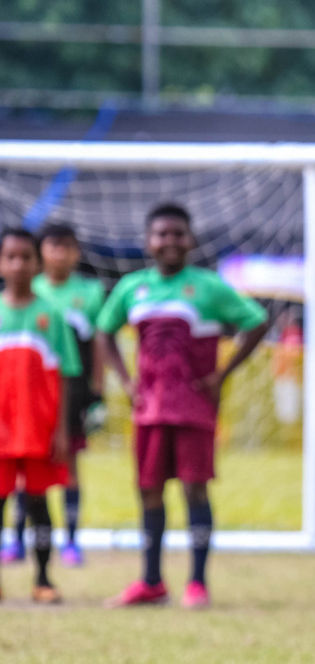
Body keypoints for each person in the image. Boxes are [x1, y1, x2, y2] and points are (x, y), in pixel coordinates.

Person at [97, 204, 271, 609]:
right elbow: (104, 331)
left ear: (191, 240)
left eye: (178, 234)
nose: (170, 241)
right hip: (149, 409)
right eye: (162, 234)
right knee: (149, 490)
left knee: (195, 488)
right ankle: (152, 581)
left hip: (193, 406)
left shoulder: (209, 287)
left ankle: (197, 583)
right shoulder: (131, 288)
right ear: (148, 241)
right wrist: (125, 380)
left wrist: (222, 374)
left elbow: (257, 321)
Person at [0, 227, 81, 604]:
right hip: (1, 431)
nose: (18, 264)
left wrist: (62, 431)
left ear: (37, 262)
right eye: (10, 256)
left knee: (38, 504)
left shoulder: (52, 316)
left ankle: (43, 578)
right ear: (2, 262)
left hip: (38, 430)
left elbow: (65, 375)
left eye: (25, 257)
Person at [30, 223, 105, 565]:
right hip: (30, 393)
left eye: (67, 246)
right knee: (26, 464)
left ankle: (72, 541)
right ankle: (18, 539)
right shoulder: (28, 289)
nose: (60, 253)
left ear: (77, 252)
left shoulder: (90, 292)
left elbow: (101, 342)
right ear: (41, 251)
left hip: (72, 391)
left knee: (70, 465)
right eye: (53, 246)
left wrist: (98, 392)